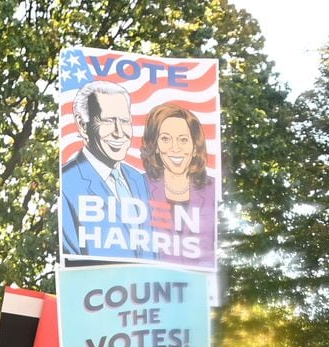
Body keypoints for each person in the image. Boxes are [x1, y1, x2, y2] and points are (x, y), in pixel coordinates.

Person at [60, 80, 152, 260]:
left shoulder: (139, 180)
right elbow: (72, 262)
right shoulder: (68, 182)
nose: (119, 132)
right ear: (83, 125)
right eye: (108, 121)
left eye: (125, 121)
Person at [140, 102, 216, 268]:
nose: (175, 148)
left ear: (195, 147)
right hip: (149, 285)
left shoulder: (213, 190)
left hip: (199, 286)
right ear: (156, 146)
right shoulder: (138, 186)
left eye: (183, 140)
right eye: (166, 139)